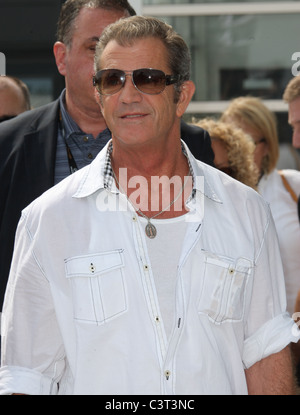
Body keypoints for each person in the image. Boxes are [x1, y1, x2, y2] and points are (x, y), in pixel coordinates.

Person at [0, 15, 298, 396]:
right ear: (99, 95)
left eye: (149, 79)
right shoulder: (47, 221)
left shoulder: (246, 211)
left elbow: (265, 353)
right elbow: (26, 377)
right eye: (112, 80)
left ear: (182, 96)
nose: (128, 94)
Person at [0, 0, 214, 315]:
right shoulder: (8, 146)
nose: (107, 63)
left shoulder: (191, 144)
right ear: (62, 57)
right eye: (94, 47)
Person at [221, 96, 300, 317]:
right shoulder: (213, 197)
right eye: (230, 142)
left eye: (246, 141)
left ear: (267, 146)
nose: (236, 151)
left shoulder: (293, 187)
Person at [195, 117, 259, 189]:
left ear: (238, 175)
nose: (215, 180)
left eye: (223, 172)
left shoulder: (248, 198)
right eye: (204, 172)